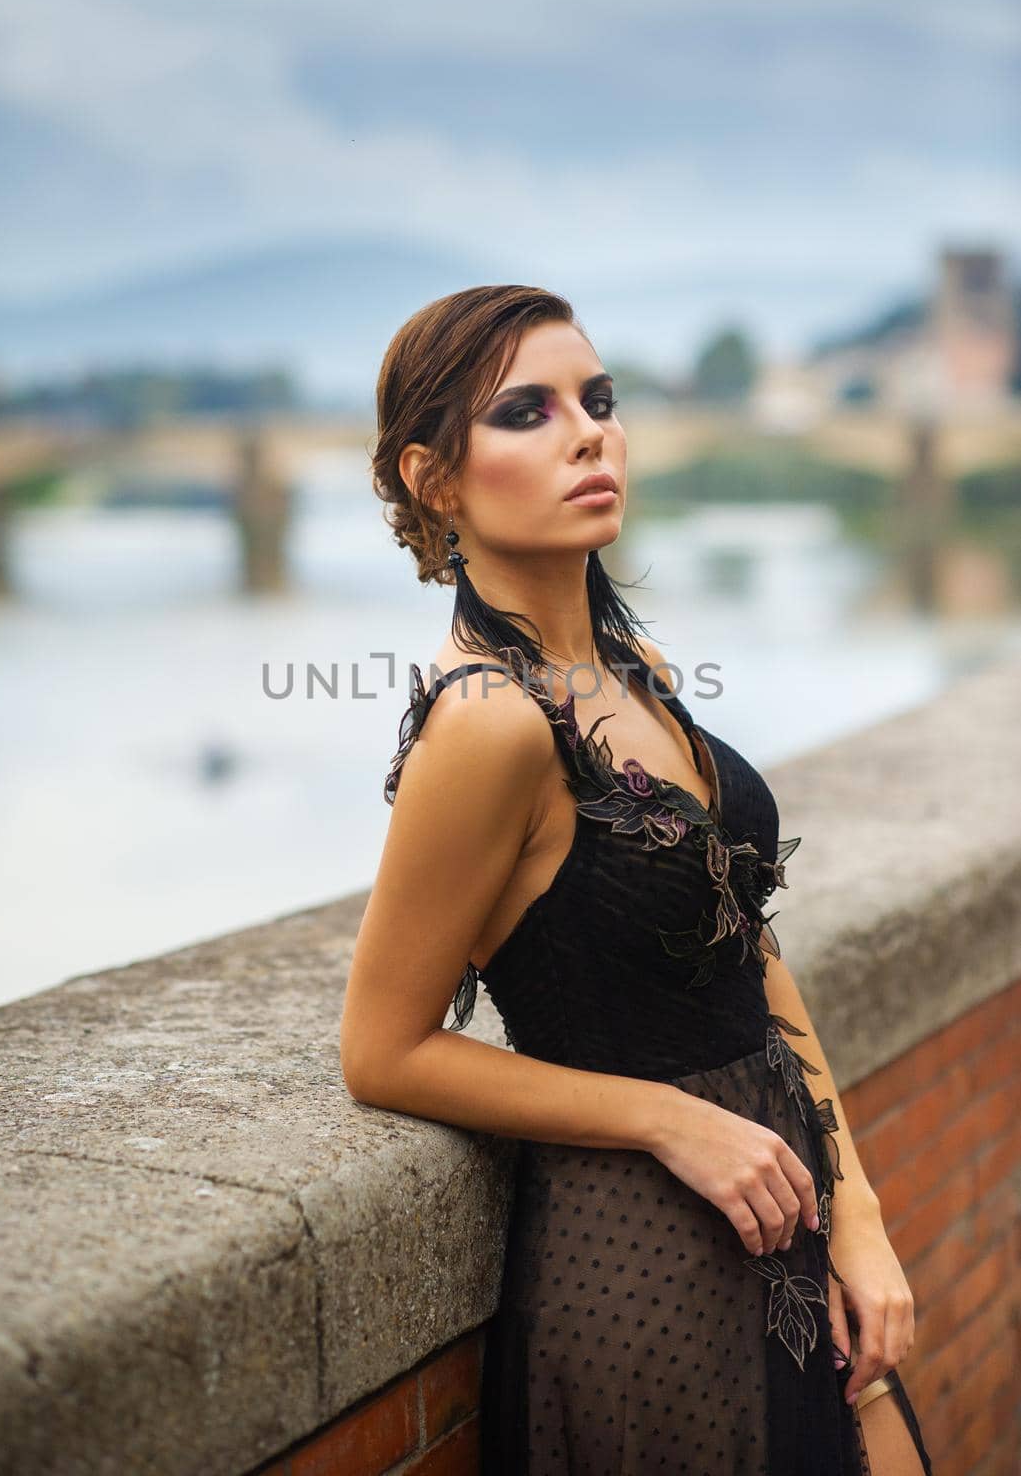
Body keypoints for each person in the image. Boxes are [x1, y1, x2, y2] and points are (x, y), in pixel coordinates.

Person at [340, 284, 934, 1475]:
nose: (589, 431)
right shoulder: (491, 724)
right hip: (645, 1269)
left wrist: (857, 1212)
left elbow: (745, 943)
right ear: (434, 477)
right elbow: (382, 1047)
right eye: (529, 410)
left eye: (598, 400)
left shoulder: (627, 664)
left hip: (786, 1210)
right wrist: (670, 1120)